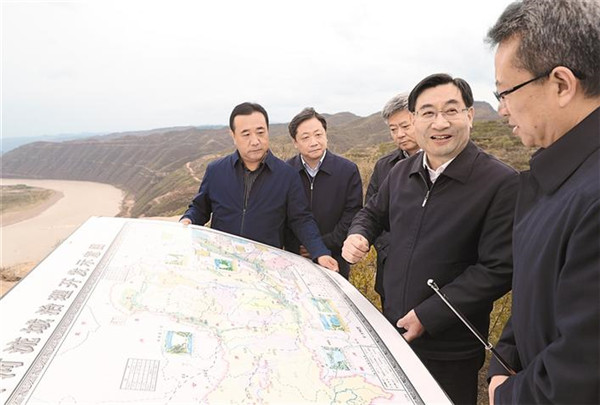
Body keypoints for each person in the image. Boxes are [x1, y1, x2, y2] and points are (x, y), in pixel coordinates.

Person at [342, 73, 519, 404]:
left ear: (469, 115)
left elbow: (498, 268)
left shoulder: (500, 182)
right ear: (414, 120)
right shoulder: (401, 172)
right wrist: (358, 233)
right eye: (428, 112)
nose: (440, 122)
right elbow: (372, 213)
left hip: (451, 348)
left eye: (451, 110)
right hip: (394, 330)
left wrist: (429, 315)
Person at [486, 1, 600, 404]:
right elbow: (533, 294)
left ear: (562, 84)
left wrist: (507, 395)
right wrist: (504, 360)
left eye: (505, 92)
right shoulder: (555, 176)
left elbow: (582, 372)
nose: (501, 109)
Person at [180, 102, 338, 272]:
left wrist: (320, 252)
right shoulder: (216, 171)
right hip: (222, 263)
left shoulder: (287, 175)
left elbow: (301, 219)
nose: (255, 141)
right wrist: (188, 219)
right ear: (233, 135)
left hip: (265, 269)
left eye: (260, 132)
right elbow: (200, 209)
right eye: (246, 134)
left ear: (268, 131)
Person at [284, 107, 363, 279]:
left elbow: (352, 214)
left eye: (318, 135)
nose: (314, 142)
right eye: (305, 137)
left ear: (326, 135)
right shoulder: (286, 172)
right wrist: (298, 245)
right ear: (295, 142)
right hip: (295, 258)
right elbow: (283, 216)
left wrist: (321, 244)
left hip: (335, 259)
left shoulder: (347, 170)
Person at [365, 93, 420, 304]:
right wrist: (388, 249)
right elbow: (371, 213)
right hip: (389, 270)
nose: (400, 134)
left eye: (405, 126)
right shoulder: (384, 166)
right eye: (393, 129)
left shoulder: (441, 163)